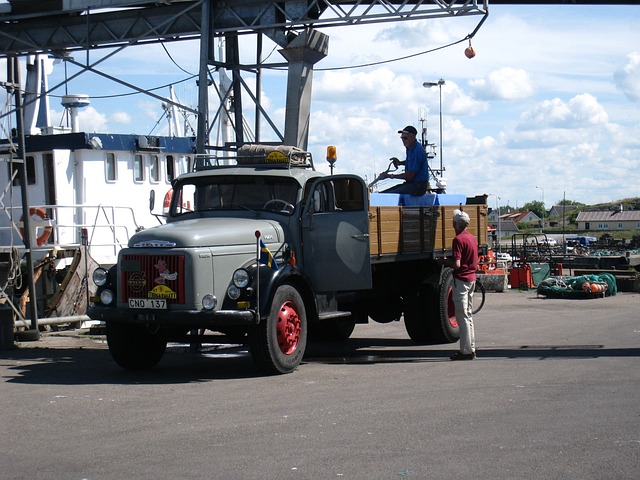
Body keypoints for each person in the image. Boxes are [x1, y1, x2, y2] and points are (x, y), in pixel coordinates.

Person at [436, 209, 478, 360]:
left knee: (461, 316)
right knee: (468, 315)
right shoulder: (472, 238)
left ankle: (466, 351)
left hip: (462, 280)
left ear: (455, 224)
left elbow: (457, 264)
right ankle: (470, 348)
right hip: (472, 278)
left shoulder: (458, 240)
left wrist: (443, 261)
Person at [378, 125, 430, 196]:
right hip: (412, 184)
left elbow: (410, 175)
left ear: (413, 137)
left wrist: (389, 176)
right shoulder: (410, 148)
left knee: (384, 195)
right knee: (383, 193)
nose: (403, 140)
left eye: (405, 138)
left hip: (418, 186)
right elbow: (412, 162)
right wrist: (400, 163)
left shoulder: (417, 151)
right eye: (402, 138)